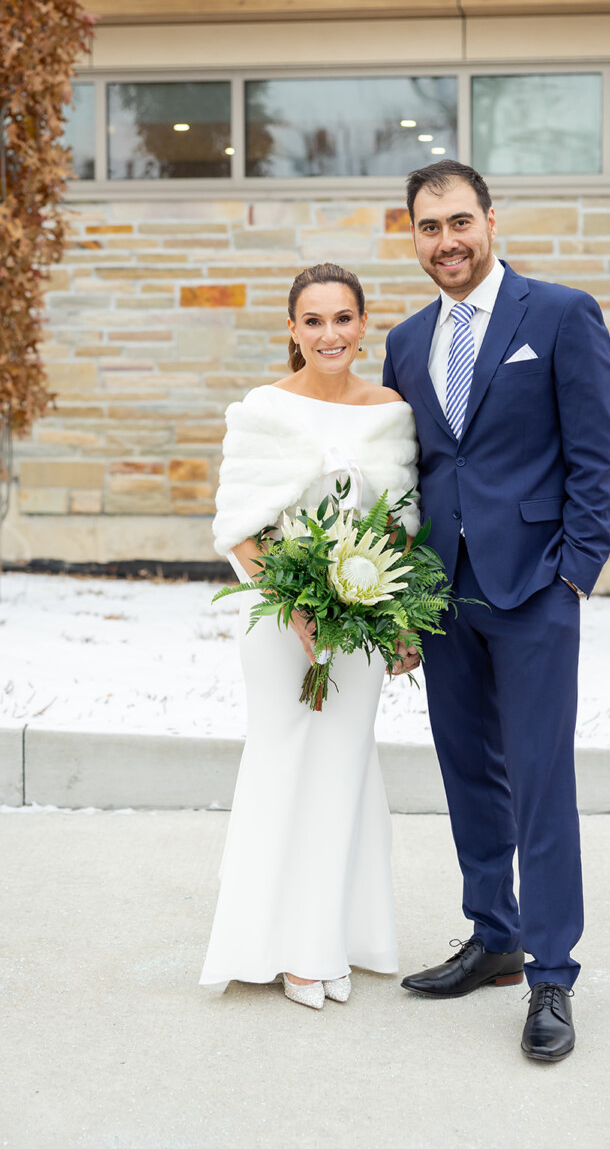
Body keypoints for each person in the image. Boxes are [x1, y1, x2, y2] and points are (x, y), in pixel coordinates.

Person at [383, 161, 610, 1061]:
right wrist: (402, 594)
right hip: (443, 592)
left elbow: (595, 453)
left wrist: (575, 575)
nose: (445, 241)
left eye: (459, 221)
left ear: (490, 219)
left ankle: (552, 973)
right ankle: (495, 937)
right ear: (412, 236)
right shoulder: (406, 340)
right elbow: (410, 471)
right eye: (428, 226)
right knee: (467, 773)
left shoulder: (559, 314)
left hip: (533, 589)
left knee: (539, 781)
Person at [201, 262, 419, 1009]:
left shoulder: (390, 411)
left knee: (345, 767)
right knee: (283, 761)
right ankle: (276, 946)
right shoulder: (262, 409)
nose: (330, 334)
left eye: (343, 318)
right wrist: (295, 605)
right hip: (278, 622)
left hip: (360, 622)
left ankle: (329, 939)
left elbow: (400, 528)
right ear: (292, 330)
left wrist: (392, 616)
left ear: (363, 325)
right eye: (315, 321)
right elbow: (240, 527)